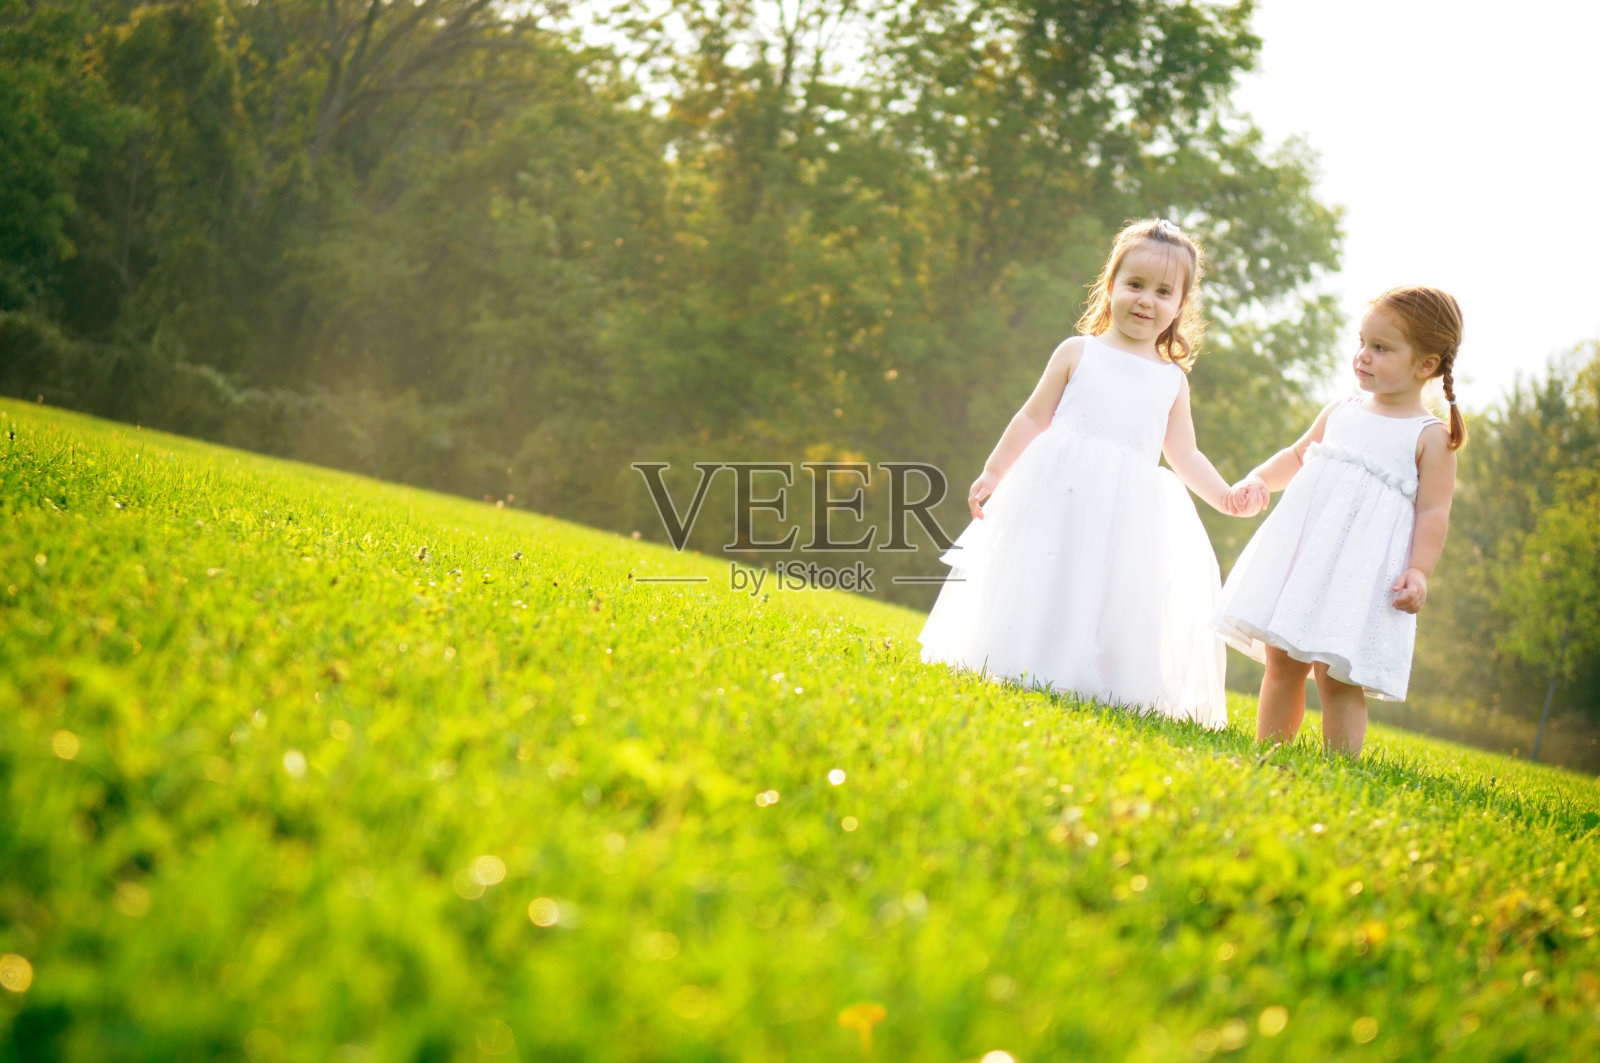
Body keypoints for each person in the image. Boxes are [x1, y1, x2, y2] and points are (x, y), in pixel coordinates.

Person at [918, 218, 1253, 729]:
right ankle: (1020, 657)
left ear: (1180, 305)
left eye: (1163, 292)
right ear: (1110, 284)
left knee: (1111, 590)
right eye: (1134, 284)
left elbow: (1184, 455)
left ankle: (1095, 676)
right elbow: (1032, 416)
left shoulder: (1171, 381)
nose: (1146, 300)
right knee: (1044, 571)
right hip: (1057, 486)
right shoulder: (1078, 352)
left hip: (1128, 504)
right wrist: (994, 471)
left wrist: (1225, 495)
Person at [1212, 286, 1466, 755]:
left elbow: (1434, 511)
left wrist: (1419, 571)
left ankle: (1339, 768)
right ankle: (1269, 755)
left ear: (1425, 365)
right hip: (1307, 555)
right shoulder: (1341, 411)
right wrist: (1260, 480)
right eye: (1362, 342)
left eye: (1382, 348)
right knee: (1282, 661)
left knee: (1337, 675)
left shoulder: (1430, 437)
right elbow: (1296, 455)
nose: (1363, 356)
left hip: (1361, 574)